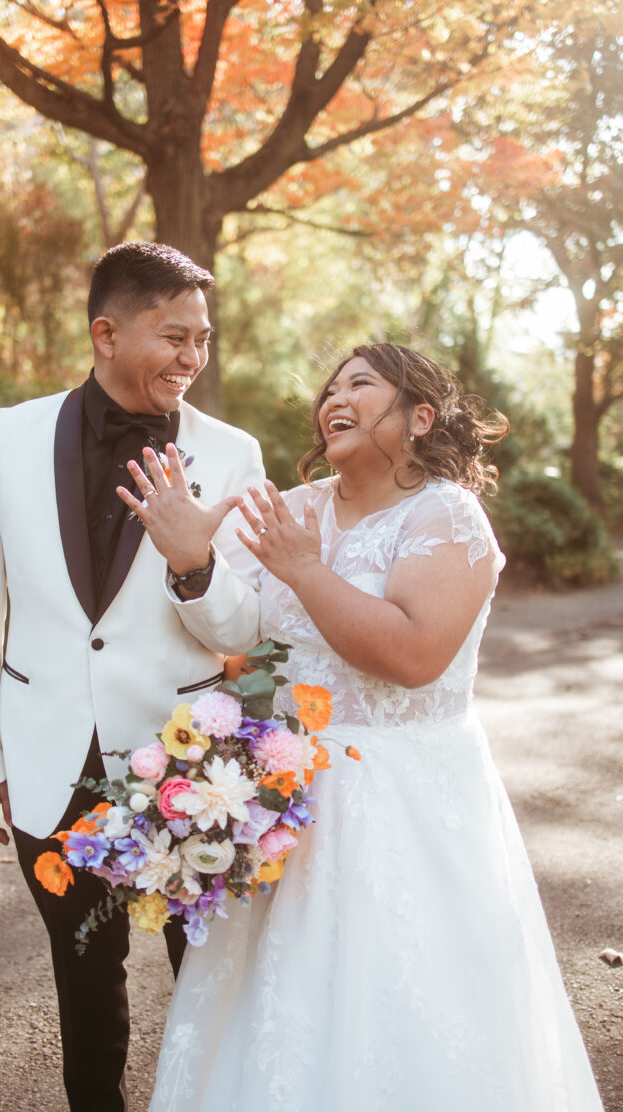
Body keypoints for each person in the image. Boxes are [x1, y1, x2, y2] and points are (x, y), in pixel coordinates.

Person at [146, 343, 605, 1111]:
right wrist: (194, 563)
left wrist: (306, 571)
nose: (336, 397)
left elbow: (413, 655)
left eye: (361, 384)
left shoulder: (446, 514)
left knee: (401, 1006)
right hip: (288, 800)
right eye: (331, 388)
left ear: (420, 417)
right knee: (278, 1014)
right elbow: (243, 633)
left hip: (405, 805)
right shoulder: (294, 508)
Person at [0, 241, 265, 1112]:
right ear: (106, 333)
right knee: (84, 977)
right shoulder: (4, 437)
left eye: (203, 339)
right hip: (48, 759)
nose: (193, 357)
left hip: (188, 766)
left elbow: (244, 629)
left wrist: (195, 563)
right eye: (175, 337)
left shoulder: (233, 453)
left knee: (205, 979)